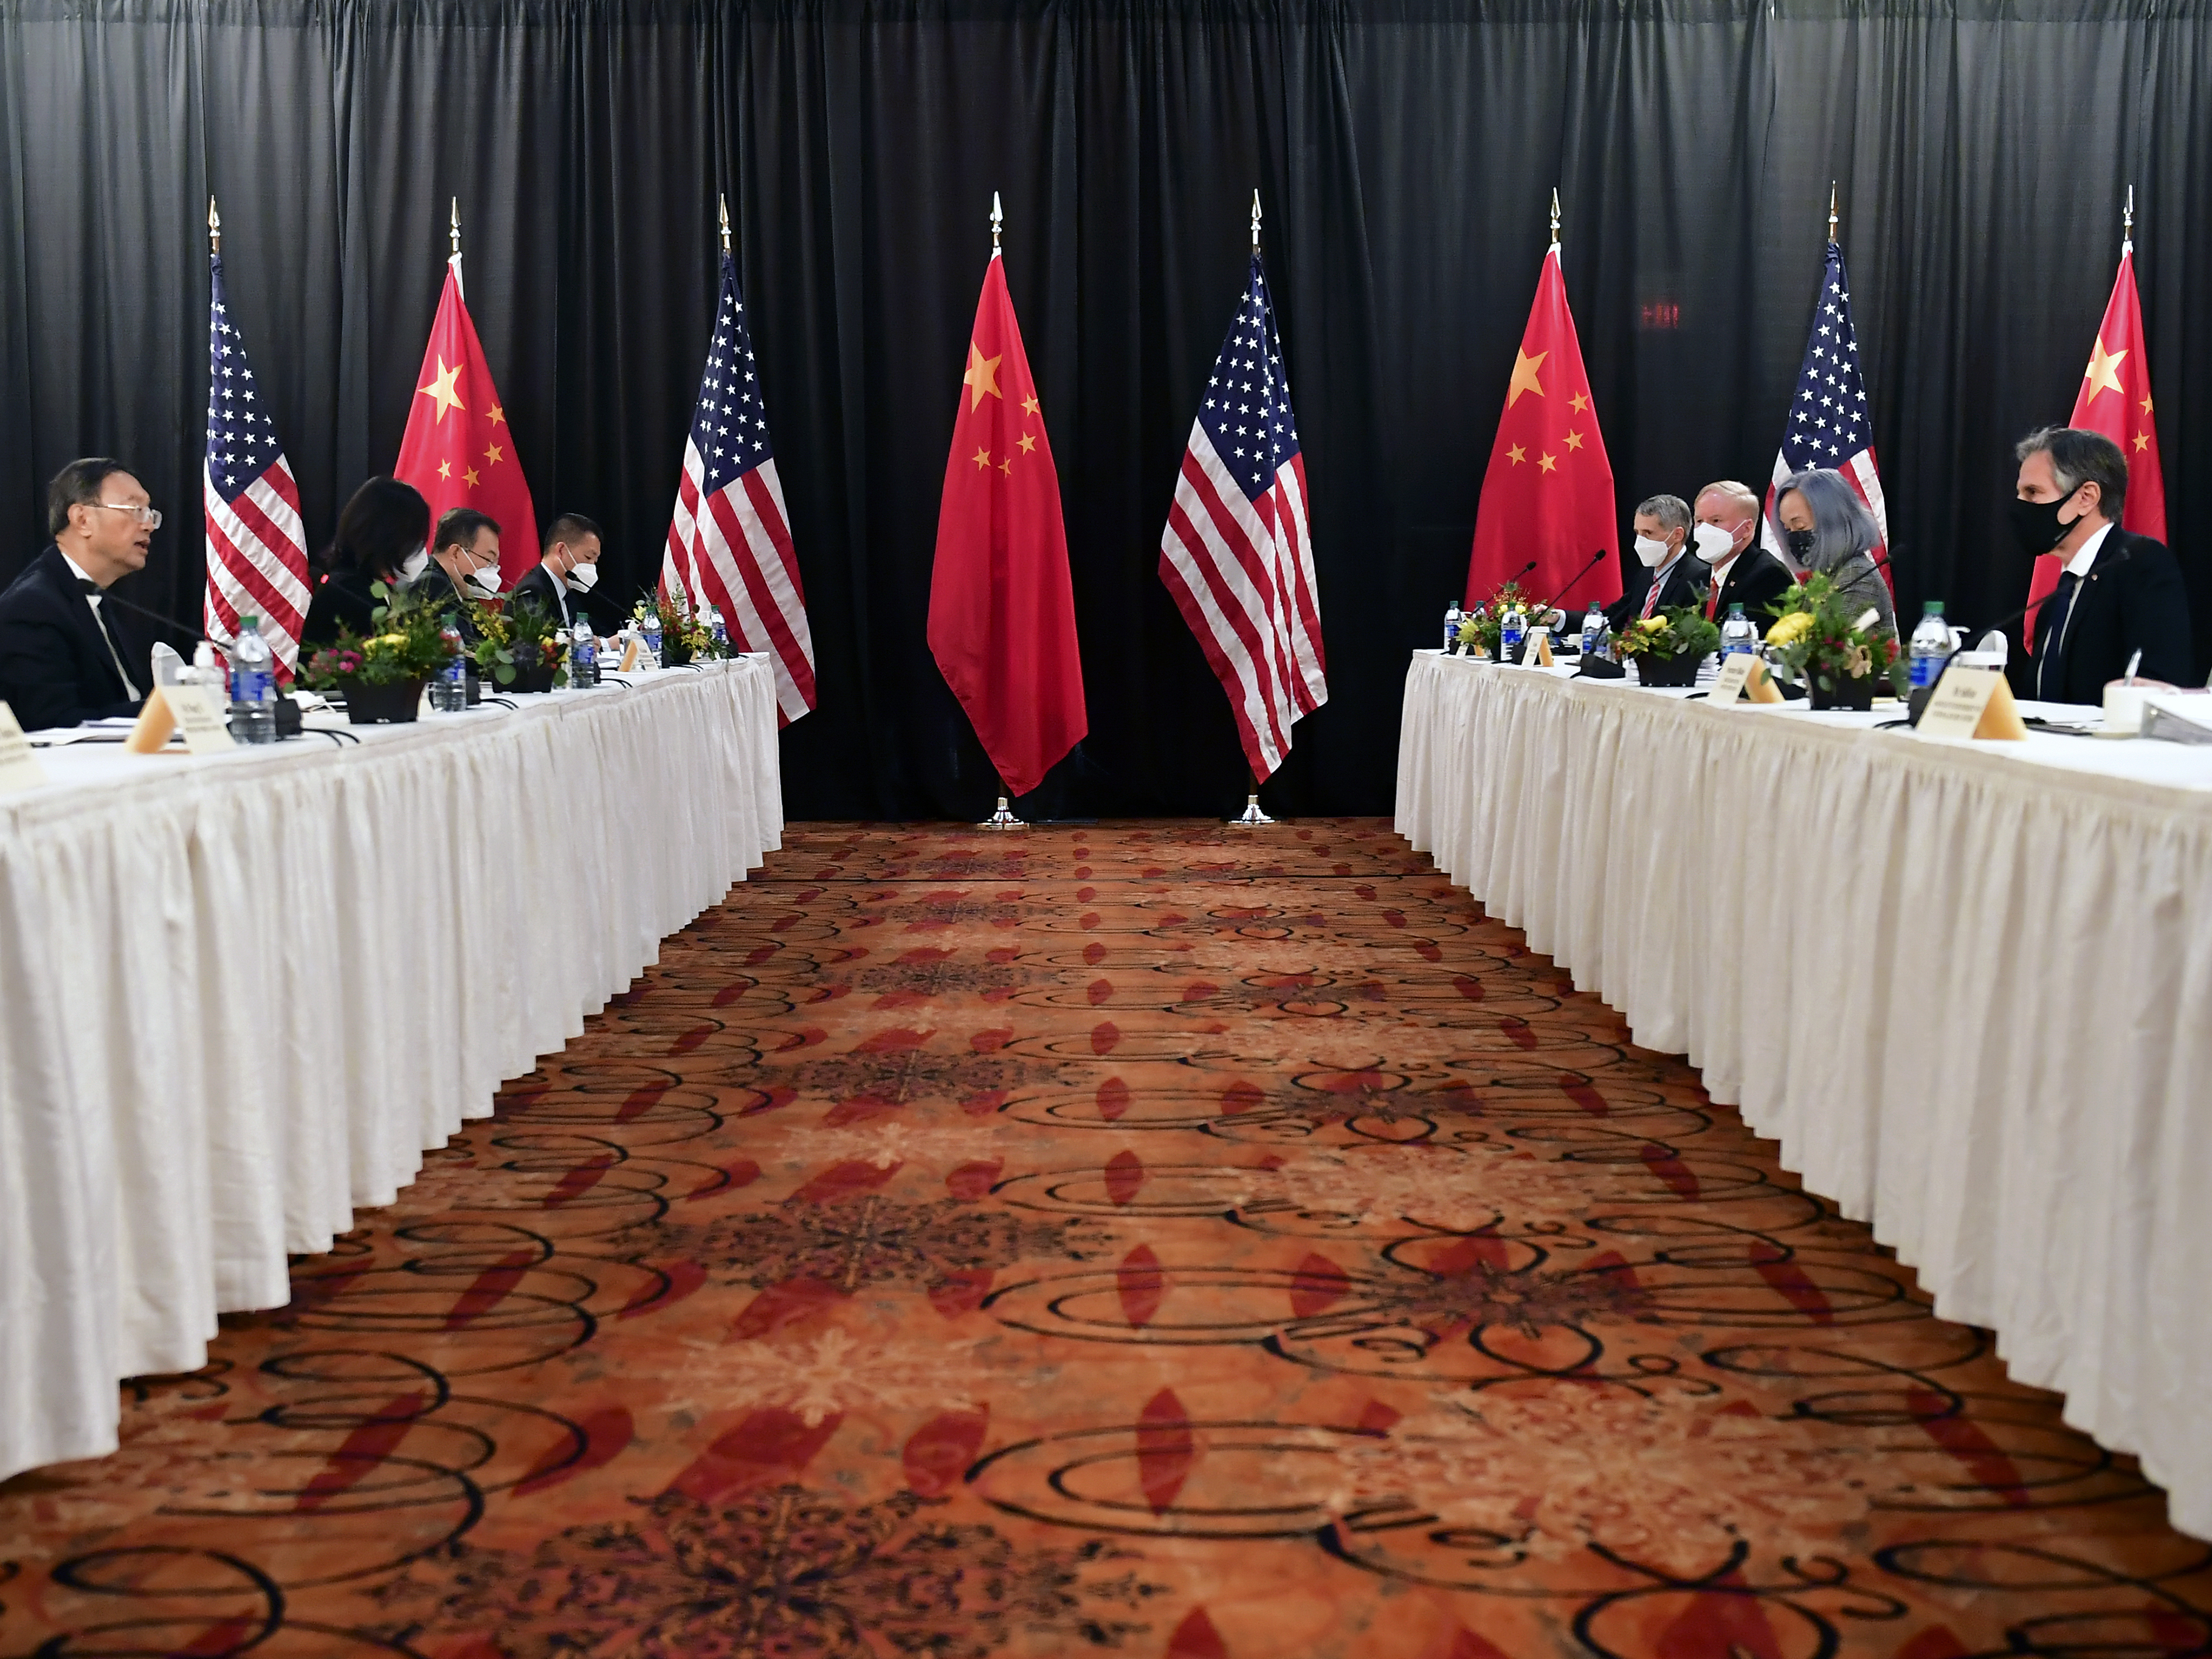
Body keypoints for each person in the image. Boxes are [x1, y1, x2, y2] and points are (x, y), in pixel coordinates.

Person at [2011, 426, 2191, 703]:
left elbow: (2159, 688)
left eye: (2033, 492)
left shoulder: (2140, 564)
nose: (2021, 505)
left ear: (2086, 497)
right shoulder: (2055, 604)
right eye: (2021, 493)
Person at [0, 458, 154, 730]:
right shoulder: (32, 607)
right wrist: (166, 711)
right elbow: (52, 724)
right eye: (134, 509)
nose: (148, 525)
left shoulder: (98, 597)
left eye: (149, 513)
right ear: (82, 520)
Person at [301, 477, 432, 650]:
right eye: (412, 539)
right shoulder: (346, 593)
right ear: (387, 537)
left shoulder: (375, 587)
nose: (417, 549)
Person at [1773, 468, 1896, 640]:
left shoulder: (1857, 574)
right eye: (1788, 529)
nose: (1793, 536)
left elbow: (1834, 650)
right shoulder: (1826, 576)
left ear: (1833, 522)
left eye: (1800, 526)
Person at [1692, 479, 1794, 622]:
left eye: (1716, 521)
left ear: (1747, 529)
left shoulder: (1768, 576)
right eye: (1699, 521)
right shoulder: (1699, 579)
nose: (1704, 530)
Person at [1606, 494, 1707, 630]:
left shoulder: (1698, 577)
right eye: (1637, 533)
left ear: (1677, 535)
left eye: (1648, 533)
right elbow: (1611, 617)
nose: (1640, 541)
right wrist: (1567, 617)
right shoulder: (1646, 575)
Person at [412, 507, 503, 641]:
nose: (493, 569)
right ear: (455, 552)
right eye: (489, 560)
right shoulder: (430, 587)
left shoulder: (461, 590)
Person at [509, 513, 605, 632]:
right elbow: (540, 644)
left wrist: (605, 642)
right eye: (588, 557)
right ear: (561, 551)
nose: (592, 567)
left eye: (595, 562)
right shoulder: (531, 593)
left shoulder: (568, 594)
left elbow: (596, 632)